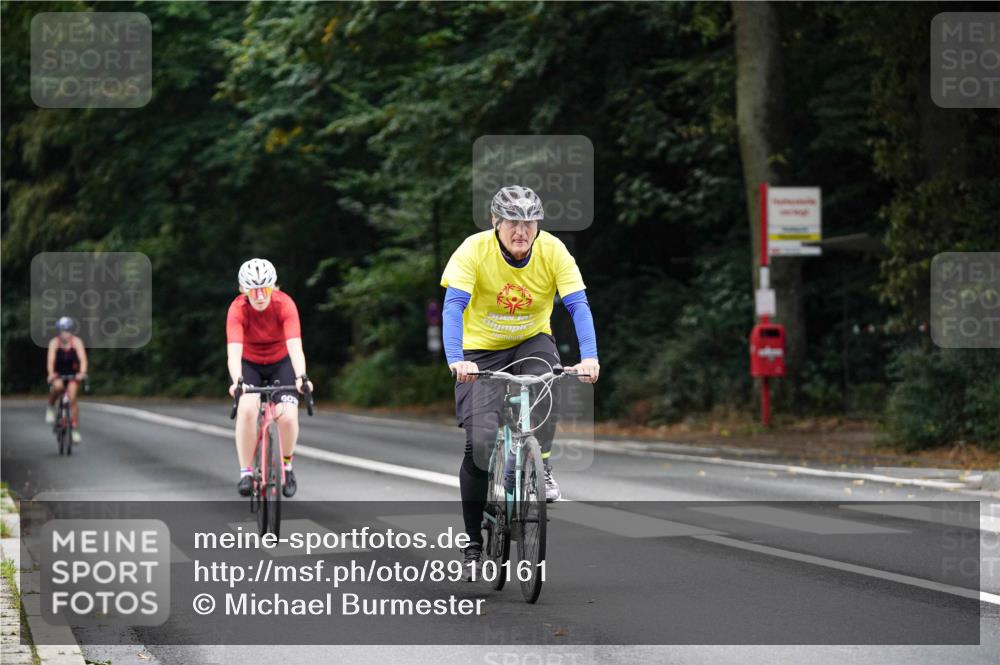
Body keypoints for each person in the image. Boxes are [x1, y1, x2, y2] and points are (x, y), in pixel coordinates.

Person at [441, 185, 599, 581]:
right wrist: (456, 359)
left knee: (547, 381)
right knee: (480, 441)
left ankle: (541, 467)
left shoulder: (553, 251)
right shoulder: (473, 251)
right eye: (512, 221)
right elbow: (454, 306)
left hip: (531, 341)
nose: (520, 231)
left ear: (538, 224)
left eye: (528, 222)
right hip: (478, 352)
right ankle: (474, 542)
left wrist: (590, 356)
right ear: (496, 223)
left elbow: (578, 305)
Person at [226, 258, 313, 498]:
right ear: (244, 291)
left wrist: (301, 377)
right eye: (253, 291)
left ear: (273, 287)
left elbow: (295, 346)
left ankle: (287, 464)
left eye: (264, 289)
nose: (260, 296)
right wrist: (237, 381)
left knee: (287, 416)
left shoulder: (285, 305)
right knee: (247, 409)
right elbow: (233, 352)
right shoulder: (237, 309)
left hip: (280, 362)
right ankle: (246, 472)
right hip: (250, 364)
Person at [45, 316, 88, 443]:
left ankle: (74, 429)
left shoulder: (77, 342)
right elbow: (50, 361)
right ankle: (50, 407)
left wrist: (82, 373)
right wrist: (51, 373)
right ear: (59, 331)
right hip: (58, 373)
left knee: (72, 398)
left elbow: (83, 360)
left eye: (68, 330)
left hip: (72, 374)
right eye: (64, 331)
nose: (66, 334)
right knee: (57, 387)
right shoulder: (54, 343)